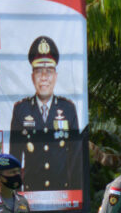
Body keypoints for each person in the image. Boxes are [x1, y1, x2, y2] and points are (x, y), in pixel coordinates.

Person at [8, 36, 81, 191]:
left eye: (49, 71)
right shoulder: (21, 110)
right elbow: (14, 158)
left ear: (55, 76)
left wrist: (76, 196)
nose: (43, 77)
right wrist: (16, 196)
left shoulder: (68, 109)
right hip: (31, 193)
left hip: (62, 193)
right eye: (39, 71)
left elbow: (76, 159)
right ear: (32, 77)